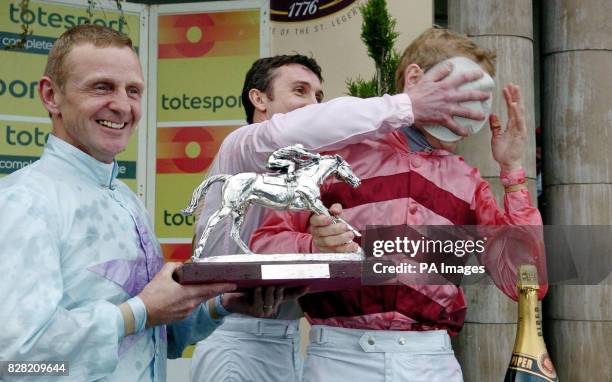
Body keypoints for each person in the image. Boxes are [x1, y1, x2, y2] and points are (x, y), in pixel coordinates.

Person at [250, 28, 548, 382]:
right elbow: (263, 247)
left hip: (434, 363)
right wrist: (314, 246)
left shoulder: (468, 183)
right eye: (459, 90)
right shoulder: (333, 154)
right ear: (415, 78)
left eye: (479, 98)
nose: (470, 109)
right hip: (339, 359)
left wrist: (513, 172)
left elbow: (525, 283)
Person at [0, 25, 290, 382]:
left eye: (133, 90)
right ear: (50, 95)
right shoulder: (24, 202)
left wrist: (219, 306)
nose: (122, 105)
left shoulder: (126, 200)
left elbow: (152, 338)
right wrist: (138, 312)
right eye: (101, 87)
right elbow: (13, 360)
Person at [191, 49, 494, 382]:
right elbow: (310, 127)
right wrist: (409, 105)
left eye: (320, 95)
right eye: (299, 91)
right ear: (258, 98)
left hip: (288, 339)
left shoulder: (307, 167)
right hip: (233, 334)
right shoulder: (243, 145)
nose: (314, 104)